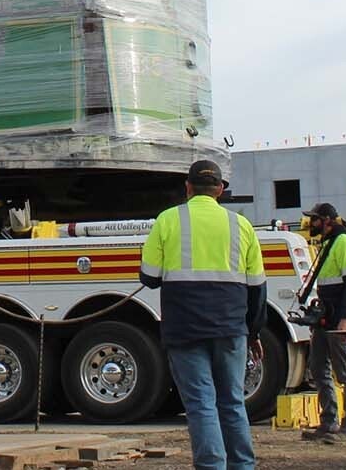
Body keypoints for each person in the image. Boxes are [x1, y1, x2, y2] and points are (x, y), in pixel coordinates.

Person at [140, 159, 265, 470]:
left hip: (185, 330)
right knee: (233, 403)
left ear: (188, 187)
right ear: (220, 190)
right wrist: (254, 332)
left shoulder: (167, 220)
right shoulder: (241, 225)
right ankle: (243, 465)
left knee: (201, 405)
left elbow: (149, 276)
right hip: (231, 329)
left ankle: (211, 466)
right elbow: (257, 287)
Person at [300, 201, 346, 443]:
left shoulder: (344, 243)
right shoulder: (327, 243)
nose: (311, 224)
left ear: (327, 220)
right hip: (325, 319)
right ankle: (329, 422)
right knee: (318, 369)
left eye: (315, 219)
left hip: (339, 319)